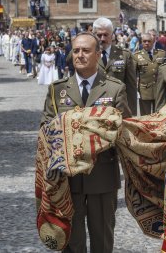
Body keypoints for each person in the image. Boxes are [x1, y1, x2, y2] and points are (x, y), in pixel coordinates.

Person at [40, 32, 131, 253]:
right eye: (76, 50)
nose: (79, 55)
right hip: (67, 180)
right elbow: (45, 127)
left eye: (86, 50)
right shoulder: (57, 89)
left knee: (102, 239)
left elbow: (125, 128)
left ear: (98, 54)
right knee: (72, 239)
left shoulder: (114, 88)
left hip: (102, 176)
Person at [93, 17, 137, 115]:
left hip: (118, 108)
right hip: (94, 109)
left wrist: (132, 113)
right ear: (93, 35)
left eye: (106, 35)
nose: (102, 39)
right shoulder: (88, 55)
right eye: (99, 35)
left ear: (112, 36)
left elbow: (131, 87)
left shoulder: (124, 55)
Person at [134, 33, 165, 115]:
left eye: (149, 41)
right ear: (141, 42)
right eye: (144, 41)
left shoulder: (161, 54)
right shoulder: (136, 56)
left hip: (159, 90)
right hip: (144, 91)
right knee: (145, 116)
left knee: (159, 114)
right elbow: (133, 74)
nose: (147, 43)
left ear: (153, 41)